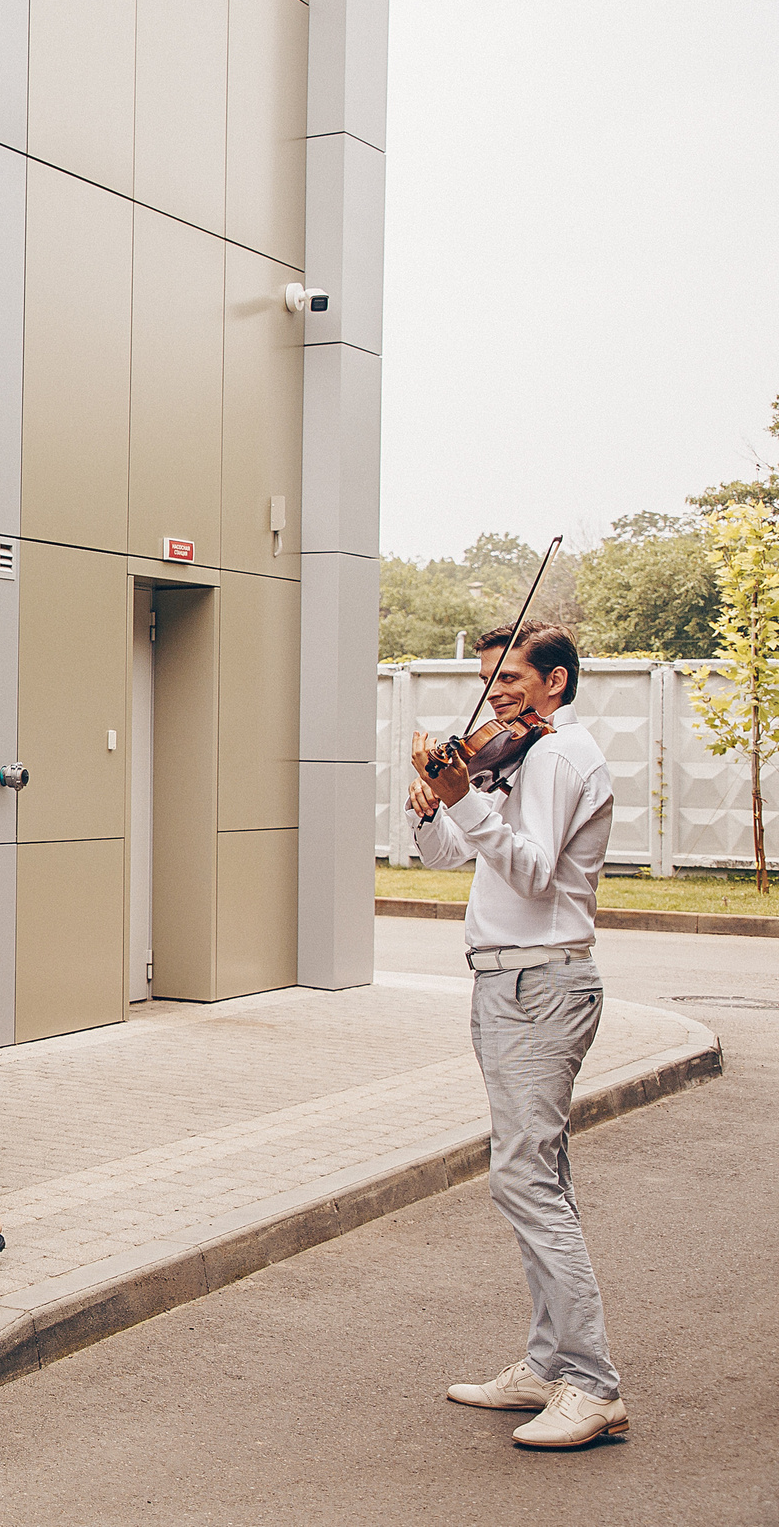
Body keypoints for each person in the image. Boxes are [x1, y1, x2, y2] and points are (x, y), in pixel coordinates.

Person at [407, 621, 627, 1451]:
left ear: (555, 683)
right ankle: (548, 1362)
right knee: (540, 1175)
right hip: (506, 980)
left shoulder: (564, 757)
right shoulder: (515, 758)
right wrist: (432, 802)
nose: (494, 693)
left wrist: (464, 793)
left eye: (511, 678)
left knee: (526, 1179)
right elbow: (444, 858)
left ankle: (593, 1383)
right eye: (489, 678)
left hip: (543, 982)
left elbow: (535, 875)